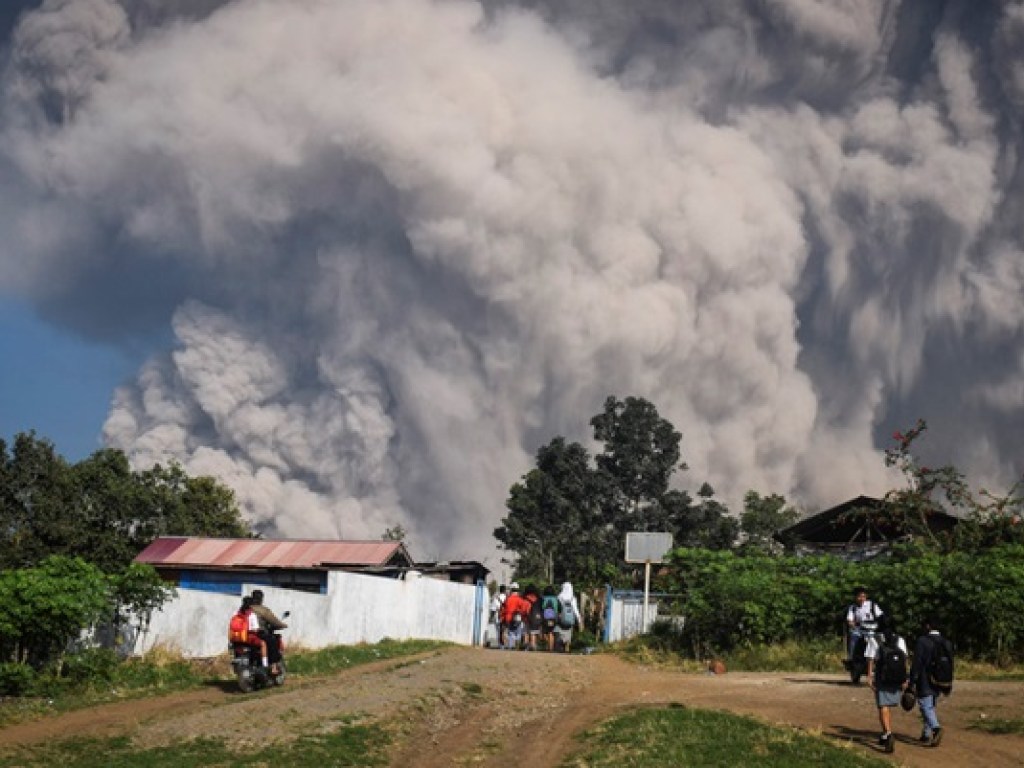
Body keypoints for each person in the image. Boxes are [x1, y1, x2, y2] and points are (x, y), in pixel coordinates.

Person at [865, 615, 908, 754]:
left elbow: (871, 659)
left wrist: (869, 676)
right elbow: (904, 659)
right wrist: (904, 678)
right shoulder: (899, 639)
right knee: (888, 706)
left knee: (883, 706)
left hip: (882, 677)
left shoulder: (874, 639)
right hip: (897, 676)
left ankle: (888, 733)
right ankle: (885, 734)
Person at [908, 616, 952, 747]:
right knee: (931, 704)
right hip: (941, 679)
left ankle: (936, 728)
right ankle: (926, 734)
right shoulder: (946, 642)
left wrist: (912, 680)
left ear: (928, 626)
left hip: (925, 678)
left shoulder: (923, 641)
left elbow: (917, 662)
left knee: (925, 705)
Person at [250, 589, 287, 673]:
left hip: (247, 635)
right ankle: (273, 667)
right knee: (273, 641)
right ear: (261, 599)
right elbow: (274, 621)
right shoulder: (263, 610)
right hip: (259, 634)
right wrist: (282, 625)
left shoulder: (247, 609)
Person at [846, 586, 882, 661]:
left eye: (863, 596)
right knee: (853, 635)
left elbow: (880, 616)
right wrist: (853, 626)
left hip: (873, 628)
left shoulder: (872, 605)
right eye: (859, 596)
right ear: (856, 597)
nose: (861, 598)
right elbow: (850, 620)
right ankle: (852, 659)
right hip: (860, 629)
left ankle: (878, 659)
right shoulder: (853, 607)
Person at [501, 582, 530, 650]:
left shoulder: (507, 599)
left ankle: (511, 646)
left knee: (511, 632)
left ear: (511, 590)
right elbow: (523, 609)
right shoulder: (520, 599)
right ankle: (516, 645)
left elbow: (504, 609)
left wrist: (503, 617)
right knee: (518, 633)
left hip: (508, 618)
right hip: (517, 618)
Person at [554, 582, 582, 653]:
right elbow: (575, 610)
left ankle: (560, 645)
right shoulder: (572, 598)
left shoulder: (559, 597)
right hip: (570, 619)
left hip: (561, 619)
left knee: (560, 632)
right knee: (568, 633)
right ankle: (567, 647)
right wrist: (579, 620)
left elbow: (556, 609)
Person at [540, 585, 560, 652]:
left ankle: (549, 645)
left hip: (545, 617)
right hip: (553, 618)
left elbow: (541, 608)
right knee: (551, 632)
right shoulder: (556, 599)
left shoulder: (543, 598)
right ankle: (551, 648)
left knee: (544, 633)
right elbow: (560, 608)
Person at [524, 585, 543, 651]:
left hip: (528, 617)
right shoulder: (539, 598)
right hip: (537, 617)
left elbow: (525, 609)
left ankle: (526, 646)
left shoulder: (525, 598)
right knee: (533, 633)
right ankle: (533, 645)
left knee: (526, 632)